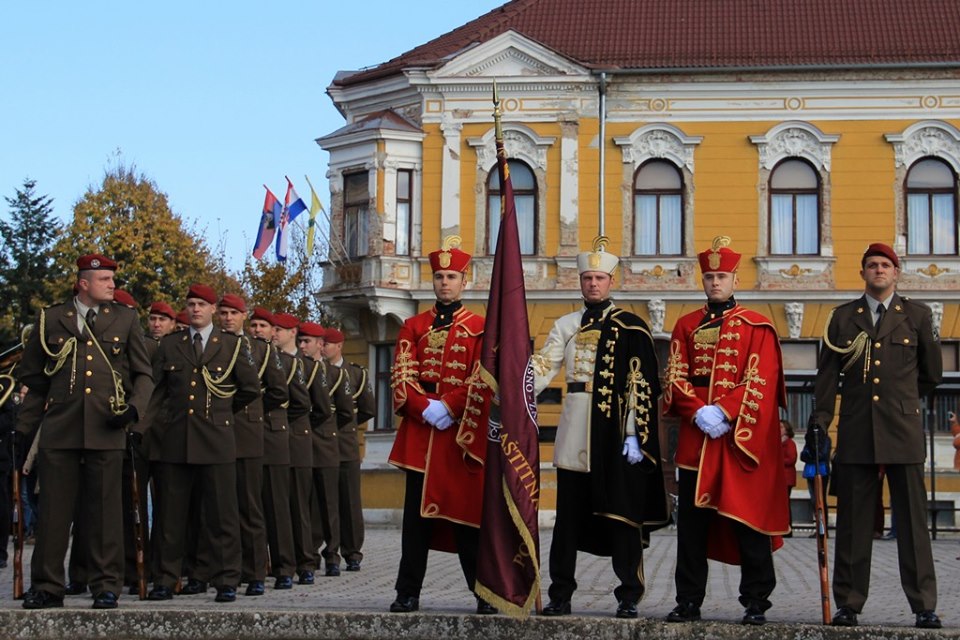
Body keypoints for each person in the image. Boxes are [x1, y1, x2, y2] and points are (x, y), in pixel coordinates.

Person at [532, 237, 668, 619]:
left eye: (599, 278)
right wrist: (513, 381)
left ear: (612, 281)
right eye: (587, 277)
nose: (593, 283)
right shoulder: (565, 325)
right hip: (575, 428)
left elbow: (641, 385)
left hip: (615, 434)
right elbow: (544, 366)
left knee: (622, 516)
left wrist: (633, 435)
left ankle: (628, 593)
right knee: (567, 519)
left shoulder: (632, 327)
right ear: (580, 282)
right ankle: (561, 593)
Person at [811, 242, 942, 629]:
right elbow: (825, 379)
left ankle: (924, 605)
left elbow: (931, 375)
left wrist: (900, 403)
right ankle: (849, 603)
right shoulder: (842, 318)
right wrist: (819, 425)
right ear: (863, 272)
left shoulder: (917, 315)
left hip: (902, 431)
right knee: (852, 523)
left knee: (914, 525)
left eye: (885, 265)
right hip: (856, 430)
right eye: (872, 265)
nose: (879, 270)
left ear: (896, 272)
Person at [16, 254, 153, 610]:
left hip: (107, 429)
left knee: (106, 512)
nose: (112, 285)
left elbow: (143, 375)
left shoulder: (125, 319)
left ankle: (105, 584)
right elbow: (34, 379)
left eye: (112, 279)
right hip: (60, 430)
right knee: (53, 513)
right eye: (105, 279)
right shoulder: (52, 318)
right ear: (83, 283)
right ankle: (47, 585)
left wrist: (134, 412)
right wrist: (23, 431)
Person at [663, 236, 789, 626]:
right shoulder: (685, 325)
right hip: (696, 437)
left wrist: (724, 411)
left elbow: (762, 380)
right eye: (710, 276)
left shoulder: (758, 326)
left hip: (736, 438)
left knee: (745, 519)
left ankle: (755, 601)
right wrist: (698, 411)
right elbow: (674, 374)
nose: (715, 283)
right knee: (691, 528)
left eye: (722, 276)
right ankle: (688, 601)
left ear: (735, 279)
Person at [387, 237, 491, 614]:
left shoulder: (481, 327)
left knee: (466, 517)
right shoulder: (413, 326)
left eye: (451, 276)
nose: (444, 282)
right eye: (439, 276)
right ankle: (407, 592)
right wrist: (423, 407)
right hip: (422, 433)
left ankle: (483, 592)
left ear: (466, 281)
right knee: (415, 522)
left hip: (458, 435)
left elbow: (484, 378)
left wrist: (449, 406)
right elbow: (401, 375)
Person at [145, 283, 260, 603]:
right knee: (172, 516)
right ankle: (167, 579)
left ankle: (225, 579)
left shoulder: (231, 346)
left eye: (202, 305)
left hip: (217, 439)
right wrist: (144, 428)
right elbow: (157, 392)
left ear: (213, 310)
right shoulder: (171, 345)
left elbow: (249, 389)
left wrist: (222, 412)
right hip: (177, 440)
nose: (196, 309)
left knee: (221, 514)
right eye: (191, 303)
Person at [218, 294, 288, 597]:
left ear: (242, 316)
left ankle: (256, 571)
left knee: (249, 507)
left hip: (247, 433)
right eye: (223, 313)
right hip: (214, 434)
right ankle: (219, 571)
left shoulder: (259, 350)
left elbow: (278, 390)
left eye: (234, 313)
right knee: (219, 509)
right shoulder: (212, 345)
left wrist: (254, 411)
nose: (228, 318)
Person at [248, 308, 297, 591]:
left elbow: (290, 397)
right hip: (243, 437)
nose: (258, 330)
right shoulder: (238, 351)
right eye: (254, 325)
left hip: (272, 437)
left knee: (277, 508)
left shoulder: (282, 360)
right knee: (249, 507)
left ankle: (283, 567)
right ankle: (252, 567)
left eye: (264, 325)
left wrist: (254, 408)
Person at [298, 323, 352, 577]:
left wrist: (326, 427)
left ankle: (332, 555)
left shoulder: (336, 374)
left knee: (329, 504)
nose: (302, 346)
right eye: (300, 340)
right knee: (305, 505)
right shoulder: (295, 368)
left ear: (321, 344)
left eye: (307, 341)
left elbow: (345, 411)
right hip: (301, 444)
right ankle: (306, 555)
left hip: (326, 444)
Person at [321, 327, 375, 572]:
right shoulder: (315, 372)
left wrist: (347, 425)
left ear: (339, 345)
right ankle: (330, 553)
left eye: (327, 344)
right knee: (327, 501)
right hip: (321, 444)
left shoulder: (355, 373)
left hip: (345, 444)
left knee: (350, 502)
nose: (322, 348)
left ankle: (353, 551)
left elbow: (367, 408)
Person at [272, 312, 317, 586]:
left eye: (280, 329)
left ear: (293, 333)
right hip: (273, 441)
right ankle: (282, 566)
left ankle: (305, 562)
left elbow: (309, 405)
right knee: (277, 508)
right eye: (272, 329)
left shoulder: (303, 366)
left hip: (297, 440)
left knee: (299, 508)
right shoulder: (268, 359)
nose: (274, 333)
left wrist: (282, 420)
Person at [780, 420, 798, 536]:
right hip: (780, 478)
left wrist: (778, 461)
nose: (779, 429)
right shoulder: (778, 442)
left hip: (787, 477)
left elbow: (791, 459)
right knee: (781, 503)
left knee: (785, 503)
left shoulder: (790, 443)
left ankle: (788, 528)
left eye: (781, 427)